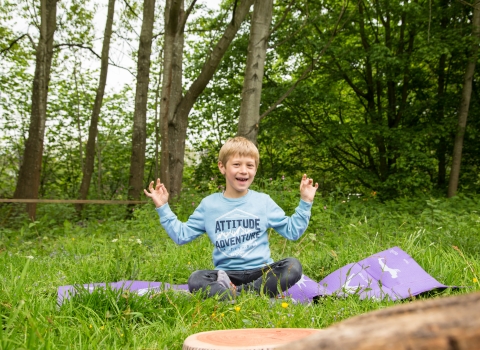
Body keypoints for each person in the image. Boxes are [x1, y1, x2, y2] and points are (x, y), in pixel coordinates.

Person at [144, 136, 318, 300]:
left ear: (255, 169)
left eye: (250, 165)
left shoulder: (263, 201)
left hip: (261, 273)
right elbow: (181, 235)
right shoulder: (209, 205)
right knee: (196, 279)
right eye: (236, 164)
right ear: (222, 167)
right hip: (226, 276)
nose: (243, 171)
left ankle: (236, 296)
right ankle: (254, 295)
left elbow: (292, 232)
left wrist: (306, 201)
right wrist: (163, 207)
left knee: (292, 266)